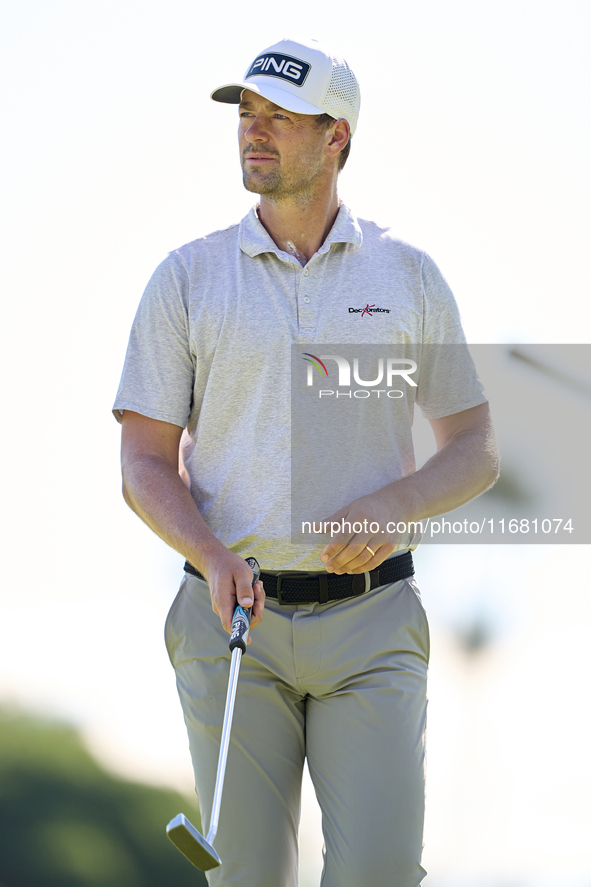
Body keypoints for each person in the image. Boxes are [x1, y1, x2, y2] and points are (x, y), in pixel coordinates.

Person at [113, 36, 499, 887]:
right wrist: (209, 554)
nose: (253, 132)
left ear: (336, 137)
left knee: (381, 873)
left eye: (278, 118)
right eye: (247, 115)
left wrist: (395, 504)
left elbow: (474, 445)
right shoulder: (186, 278)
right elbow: (142, 460)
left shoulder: (407, 275)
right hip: (230, 621)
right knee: (245, 875)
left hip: (372, 622)